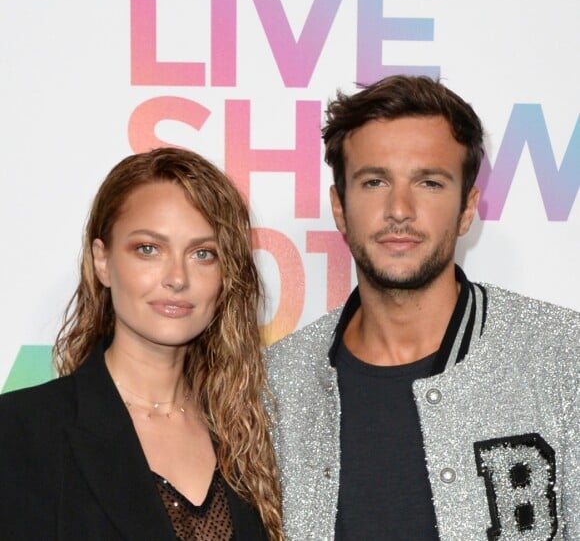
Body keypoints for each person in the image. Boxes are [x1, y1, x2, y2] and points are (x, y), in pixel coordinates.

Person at [264, 75, 579, 540]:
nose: (399, 209)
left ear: (467, 209)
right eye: (374, 181)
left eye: (429, 182)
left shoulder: (563, 356)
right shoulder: (277, 387)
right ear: (339, 206)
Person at [0, 147, 283, 540]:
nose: (177, 278)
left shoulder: (251, 437)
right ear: (103, 260)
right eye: (148, 249)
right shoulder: (20, 431)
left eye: (203, 254)